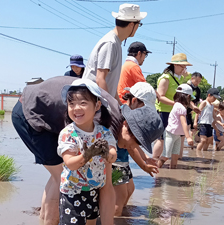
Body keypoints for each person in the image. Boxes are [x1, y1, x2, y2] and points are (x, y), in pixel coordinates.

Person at [11, 75, 163, 225]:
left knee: (57, 176)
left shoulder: (110, 126)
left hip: (41, 107)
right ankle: (49, 221)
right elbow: (99, 182)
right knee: (61, 178)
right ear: (127, 127)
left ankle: (45, 218)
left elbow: (106, 184)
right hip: (30, 111)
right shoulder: (101, 125)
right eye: (135, 143)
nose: (132, 148)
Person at [58, 79, 117, 225]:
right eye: (71, 104)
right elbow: (70, 163)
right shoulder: (68, 133)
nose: (76, 108)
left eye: (83, 103)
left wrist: (107, 155)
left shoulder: (104, 132)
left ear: (97, 105)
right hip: (72, 193)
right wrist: (87, 155)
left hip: (93, 192)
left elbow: (113, 155)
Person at [82, 3, 147, 105]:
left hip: (97, 102)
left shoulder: (116, 43)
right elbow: (100, 79)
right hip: (93, 103)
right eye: (139, 24)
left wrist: (119, 108)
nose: (138, 27)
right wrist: (110, 107)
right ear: (131, 24)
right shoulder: (110, 43)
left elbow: (110, 84)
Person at [112, 82, 158, 216]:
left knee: (129, 189)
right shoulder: (125, 116)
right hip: (116, 161)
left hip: (122, 160)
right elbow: (131, 147)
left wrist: (146, 157)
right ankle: (114, 216)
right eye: (143, 108)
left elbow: (135, 144)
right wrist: (143, 165)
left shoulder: (132, 115)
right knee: (119, 196)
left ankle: (121, 216)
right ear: (133, 100)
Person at [152, 53, 196, 159]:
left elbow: (183, 96)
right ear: (175, 65)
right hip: (164, 111)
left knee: (176, 137)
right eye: (182, 66)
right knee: (162, 138)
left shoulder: (180, 78)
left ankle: (170, 162)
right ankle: (154, 161)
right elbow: (160, 97)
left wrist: (193, 107)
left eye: (185, 66)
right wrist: (176, 105)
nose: (184, 69)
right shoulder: (165, 78)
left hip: (175, 112)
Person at [157, 84, 194, 169]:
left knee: (175, 156)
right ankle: (155, 170)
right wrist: (188, 137)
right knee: (166, 156)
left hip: (177, 135)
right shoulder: (181, 107)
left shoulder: (177, 105)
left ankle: (172, 171)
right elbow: (184, 123)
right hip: (171, 133)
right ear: (188, 96)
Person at [195, 88, 220, 156]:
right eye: (214, 97)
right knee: (203, 140)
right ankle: (197, 154)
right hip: (202, 123)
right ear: (209, 95)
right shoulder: (204, 103)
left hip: (209, 124)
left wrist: (218, 122)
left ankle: (204, 154)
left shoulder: (212, 106)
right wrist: (195, 122)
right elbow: (197, 112)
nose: (215, 99)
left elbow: (213, 116)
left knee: (208, 141)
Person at [185, 72, 202, 143]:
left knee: (194, 128)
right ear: (192, 78)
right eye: (196, 81)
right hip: (185, 109)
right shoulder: (186, 87)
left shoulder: (198, 90)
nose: (197, 83)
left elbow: (197, 101)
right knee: (186, 126)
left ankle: (193, 145)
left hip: (193, 111)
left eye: (199, 81)